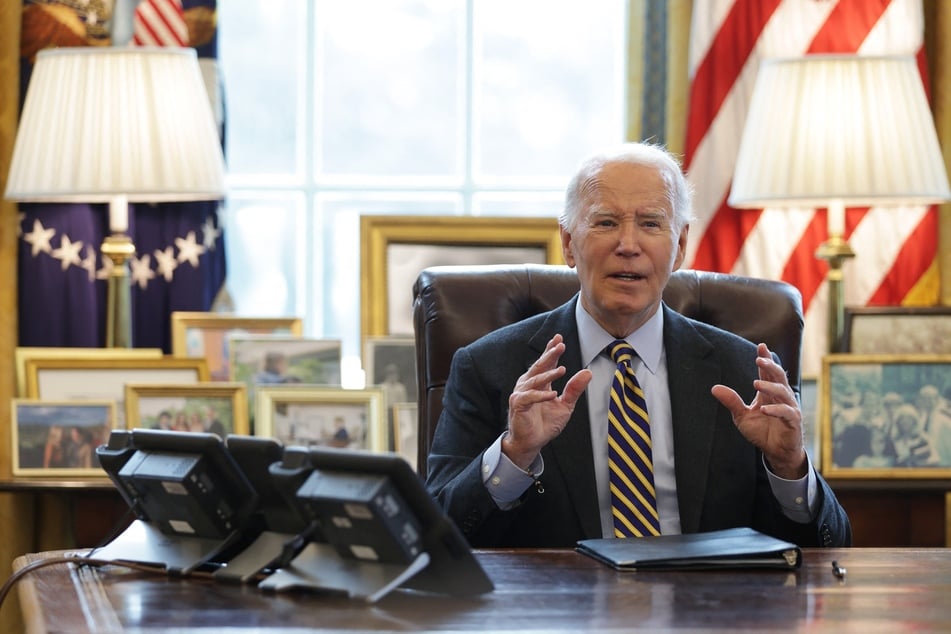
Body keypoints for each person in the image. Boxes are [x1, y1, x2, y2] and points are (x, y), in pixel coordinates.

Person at [425, 142, 851, 548]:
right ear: (569, 244)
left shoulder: (745, 371)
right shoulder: (490, 367)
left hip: (707, 612)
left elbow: (827, 546)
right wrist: (514, 454)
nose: (628, 246)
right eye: (606, 222)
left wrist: (790, 468)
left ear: (680, 245)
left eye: (650, 224)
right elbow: (439, 538)